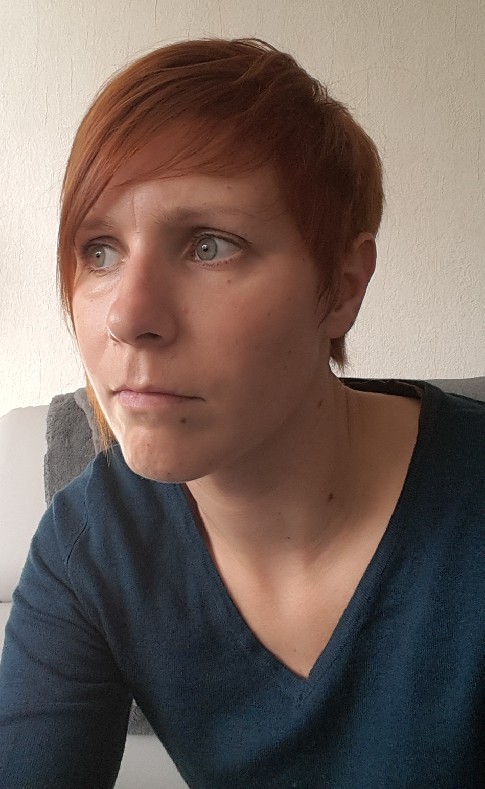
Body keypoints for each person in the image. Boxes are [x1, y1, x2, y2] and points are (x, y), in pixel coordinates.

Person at [0, 37, 483, 789]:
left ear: (342, 286)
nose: (127, 315)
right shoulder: (91, 543)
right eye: (99, 251)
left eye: (209, 245)